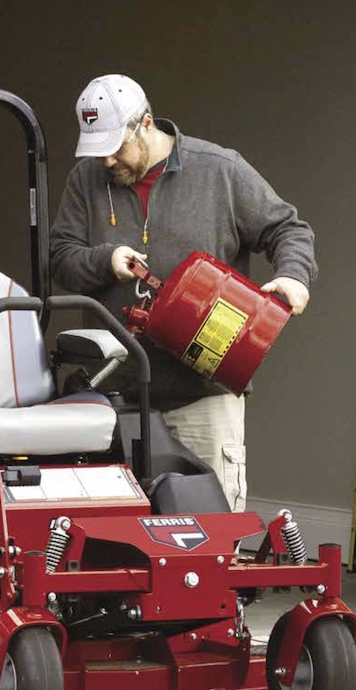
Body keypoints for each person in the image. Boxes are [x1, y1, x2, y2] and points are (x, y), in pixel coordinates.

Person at [49, 74, 317, 512]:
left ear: (146, 124)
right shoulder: (86, 181)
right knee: (117, 539)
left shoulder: (220, 170)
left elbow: (288, 228)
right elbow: (60, 258)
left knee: (212, 534)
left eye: (117, 147)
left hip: (203, 395)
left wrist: (294, 276)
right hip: (119, 396)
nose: (108, 161)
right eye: (98, 151)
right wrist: (105, 260)